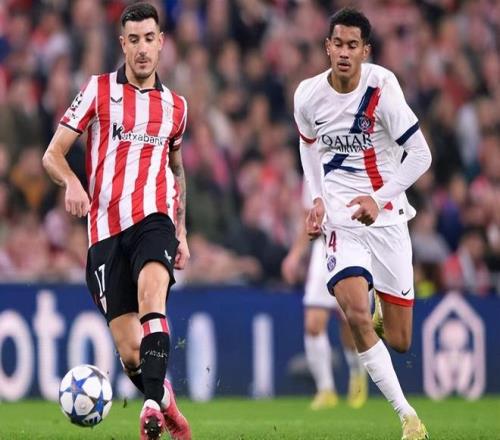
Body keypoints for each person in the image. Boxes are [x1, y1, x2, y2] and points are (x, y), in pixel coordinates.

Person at [42, 3, 191, 440]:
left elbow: (177, 169)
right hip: (105, 232)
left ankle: (150, 408)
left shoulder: (176, 107)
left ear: (161, 42)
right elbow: (52, 155)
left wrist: (180, 231)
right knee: (130, 353)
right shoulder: (98, 90)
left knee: (152, 296)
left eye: (150, 39)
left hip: (154, 219)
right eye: (134, 40)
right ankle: (165, 402)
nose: (143, 49)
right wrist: (72, 182)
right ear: (122, 44)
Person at [294, 8, 431, 440]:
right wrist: (317, 198)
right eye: (338, 44)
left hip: (387, 220)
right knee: (354, 312)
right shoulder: (307, 95)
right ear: (327, 47)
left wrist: (379, 198)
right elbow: (308, 146)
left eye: (353, 45)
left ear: (365, 50)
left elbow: (422, 155)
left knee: (401, 340)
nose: (344, 52)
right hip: (341, 222)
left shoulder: (382, 87)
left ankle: (379, 314)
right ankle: (409, 418)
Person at [282, 185, 368, 410]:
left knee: (351, 321)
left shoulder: (353, 167)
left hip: (353, 245)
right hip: (324, 249)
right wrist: (295, 255)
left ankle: (357, 374)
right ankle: (325, 389)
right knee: (313, 323)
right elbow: (308, 217)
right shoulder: (311, 173)